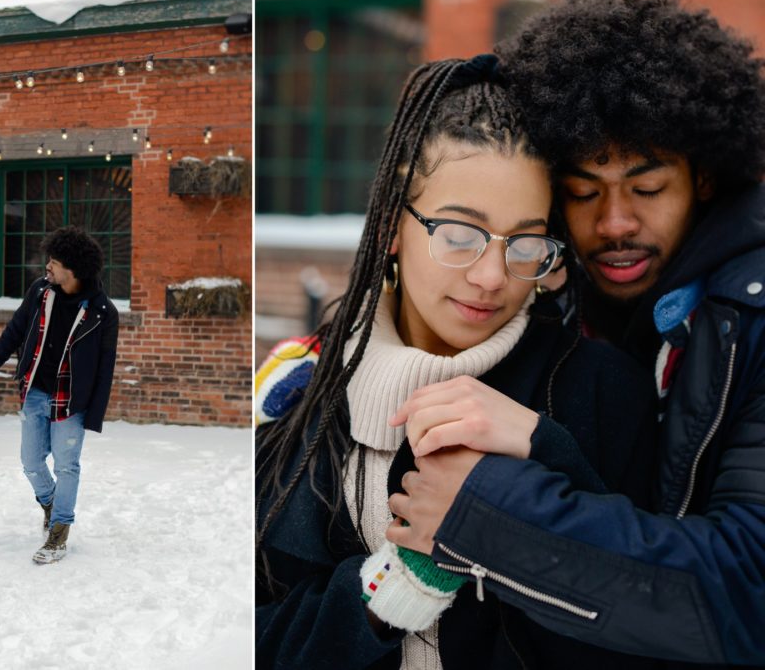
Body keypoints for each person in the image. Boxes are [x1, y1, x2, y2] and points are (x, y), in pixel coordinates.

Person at [387, 0, 765, 667]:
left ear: (704, 176)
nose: (615, 223)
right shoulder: (565, 301)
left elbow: (749, 587)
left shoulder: (752, 322)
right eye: (583, 194)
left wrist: (488, 513)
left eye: (647, 189)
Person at [255, 57, 664, 669]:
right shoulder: (297, 389)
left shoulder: (601, 392)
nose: (491, 276)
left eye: (526, 243)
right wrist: (398, 586)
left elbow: (650, 624)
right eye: (459, 234)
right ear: (395, 224)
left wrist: (535, 480)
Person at [0, 225, 118, 565]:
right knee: (31, 462)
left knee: (67, 466)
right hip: (36, 392)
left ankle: (59, 531)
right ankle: (51, 503)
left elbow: (104, 368)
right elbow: (15, 330)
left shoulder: (102, 311)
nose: (47, 267)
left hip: (71, 401)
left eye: (54, 262)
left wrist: (94, 415)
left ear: (74, 269)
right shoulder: (41, 291)